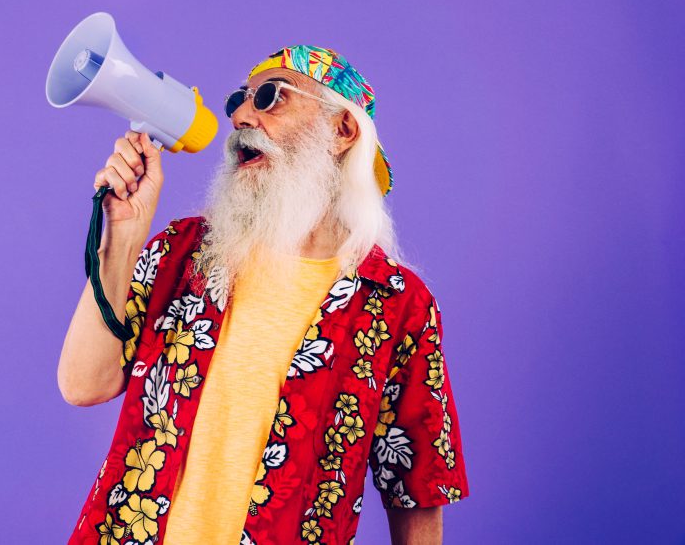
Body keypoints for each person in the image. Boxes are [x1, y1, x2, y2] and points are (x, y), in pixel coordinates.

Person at [57, 45, 469, 545]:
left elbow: (418, 486)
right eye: (241, 99)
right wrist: (122, 236)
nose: (239, 115)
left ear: (342, 131)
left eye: (271, 97)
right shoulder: (183, 251)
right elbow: (84, 384)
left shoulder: (398, 303)